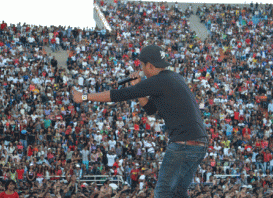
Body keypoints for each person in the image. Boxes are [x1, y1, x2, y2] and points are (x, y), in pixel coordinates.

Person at [73, 44, 208, 198]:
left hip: (183, 143)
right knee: (178, 193)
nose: (142, 70)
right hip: (198, 144)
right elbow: (151, 109)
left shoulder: (158, 81)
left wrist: (84, 97)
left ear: (150, 65)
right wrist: (138, 86)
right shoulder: (173, 78)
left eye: (142, 66)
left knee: (163, 192)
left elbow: (118, 95)